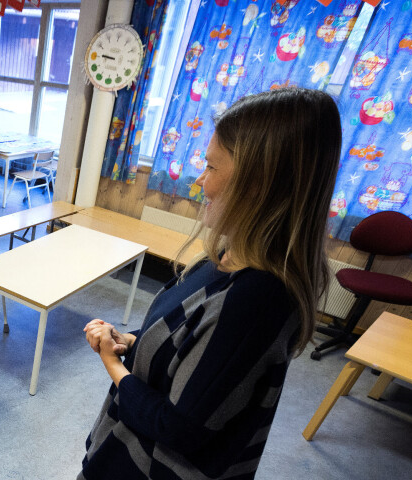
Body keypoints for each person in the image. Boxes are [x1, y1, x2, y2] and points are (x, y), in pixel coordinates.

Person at [79, 88, 341, 480]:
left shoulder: (257, 299)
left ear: (259, 184)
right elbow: (191, 353)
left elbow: (176, 427)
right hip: (123, 447)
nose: (201, 180)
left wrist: (112, 363)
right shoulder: (224, 258)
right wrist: (130, 341)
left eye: (212, 167)